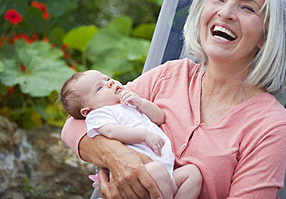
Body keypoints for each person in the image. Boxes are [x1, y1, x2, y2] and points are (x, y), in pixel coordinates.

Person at [61, 0, 286, 199]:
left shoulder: (270, 126)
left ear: (266, 37)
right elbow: (73, 126)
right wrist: (118, 157)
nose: (225, 13)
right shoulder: (171, 75)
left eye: (247, 8)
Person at [58, 70, 203, 199]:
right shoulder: (99, 115)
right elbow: (112, 131)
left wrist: (140, 103)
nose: (110, 83)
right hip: (143, 173)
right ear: (87, 111)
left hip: (166, 170)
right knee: (157, 170)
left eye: (107, 79)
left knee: (192, 174)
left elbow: (159, 118)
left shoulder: (127, 101)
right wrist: (144, 135)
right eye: (100, 88)